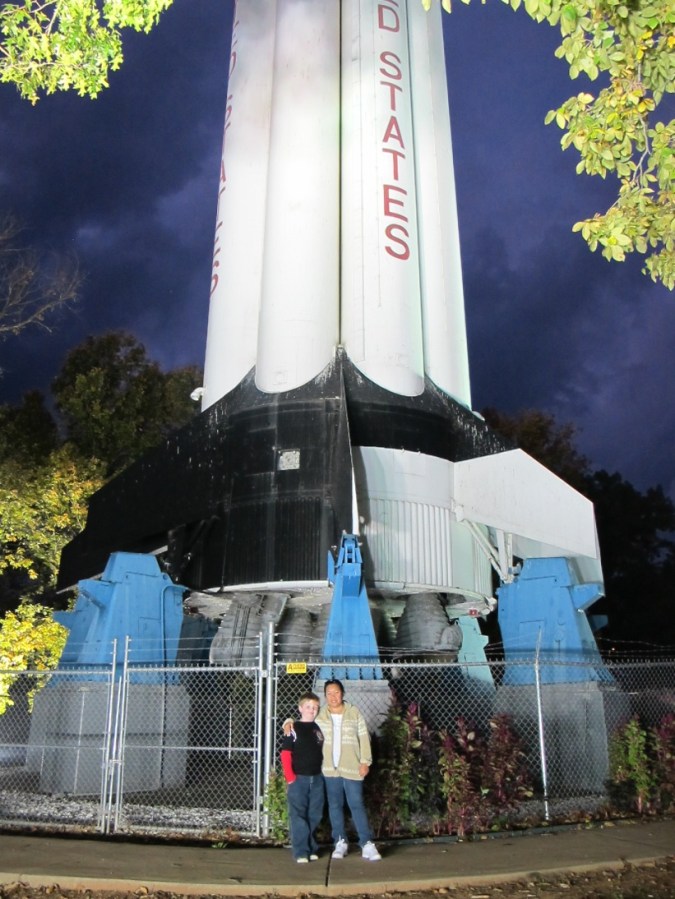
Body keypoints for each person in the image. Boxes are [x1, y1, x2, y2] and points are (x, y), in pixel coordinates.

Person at [287, 678, 382, 861]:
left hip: (352, 767)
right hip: (329, 770)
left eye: (336, 692)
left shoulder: (354, 713)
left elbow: (364, 738)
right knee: (335, 805)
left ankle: (367, 844)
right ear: (325, 696)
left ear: (342, 693)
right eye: (329, 693)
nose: (333, 696)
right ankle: (340, 841)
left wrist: (365, 761)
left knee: (356, 803)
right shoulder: (320, 716)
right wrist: (288, 721)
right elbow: (303, 722)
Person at [280, 691, 325, 864]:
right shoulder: (293, 728)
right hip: (299, 779)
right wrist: (290, 778)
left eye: (315, 707)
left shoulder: (318, 728)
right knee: (298, 815)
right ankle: (301, 851)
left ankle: (311, 847)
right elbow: (285, 754)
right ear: (300, 708)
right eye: (308, 707)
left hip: (317, 778)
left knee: (314, 814)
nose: (312, 710)